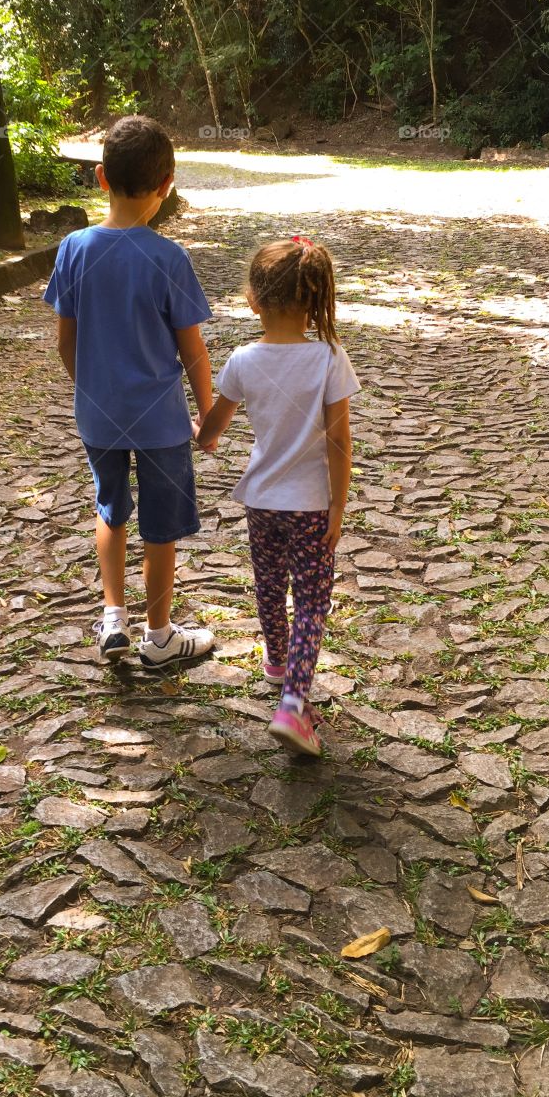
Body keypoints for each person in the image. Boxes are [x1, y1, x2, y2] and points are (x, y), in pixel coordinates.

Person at [44, 115, 215, 667]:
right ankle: (160, 634)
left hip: (98, 415)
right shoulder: (169, 258)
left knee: (110, 508)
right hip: (160, 421)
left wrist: (90, 390)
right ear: (167, 185)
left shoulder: (73, 248)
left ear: (100, 177)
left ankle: (112, 617)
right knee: (160, 527)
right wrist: (208, 414)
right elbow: (192, 351)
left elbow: (66, 342)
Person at [195, 236, 359, 756]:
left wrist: (197, 430)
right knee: (312, 600)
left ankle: (276, 662)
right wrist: (338, 504)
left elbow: (211, 431)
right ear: (314, 300)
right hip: (310, 504)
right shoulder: (329, 357)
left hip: (262, 499)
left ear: (253, 300)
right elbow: (339, 443)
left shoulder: (243, 359)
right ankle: (293, 703)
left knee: (269, 583)